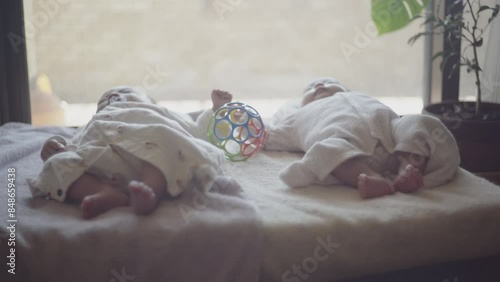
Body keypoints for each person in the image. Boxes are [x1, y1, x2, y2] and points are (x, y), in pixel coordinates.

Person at [29, 86, 233, 218]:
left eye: (126, 93)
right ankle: (103, 192)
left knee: (165, 136)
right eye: (106, 99)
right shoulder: (95, 122)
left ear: (150, 103)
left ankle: (150, 189)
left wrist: (216, 110)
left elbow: (199, 132)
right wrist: (55, 145)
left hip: (150, 158)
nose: (114, 97)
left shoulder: (163, 115)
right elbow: (73, 144)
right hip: (103, 163)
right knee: (56, 164)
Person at [264, 77, 460, 199]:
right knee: (326, 151)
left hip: (393, 138)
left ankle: (407, 168)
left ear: (345, 90)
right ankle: (372, 179)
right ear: (302, 103)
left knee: (418, 122)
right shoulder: (296, 116)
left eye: (330, 82)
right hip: (348, 150)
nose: (319, 85)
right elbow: (269, 135)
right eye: (310, 89)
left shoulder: (359, 97)